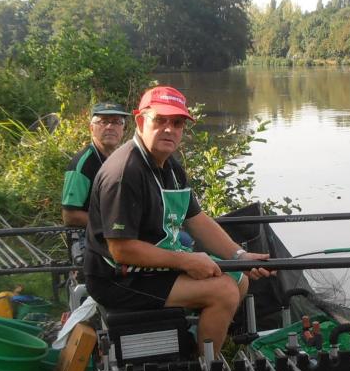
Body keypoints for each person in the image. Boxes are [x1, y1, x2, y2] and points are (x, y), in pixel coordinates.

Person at [84, 86, 270, 353]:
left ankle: (201, 341)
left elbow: (195, 219)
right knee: (224, 292)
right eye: (160, 120)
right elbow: (121, 249)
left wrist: (238, 255)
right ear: (140, 121)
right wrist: (187, 260)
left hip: (153, 265)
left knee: (239, 278)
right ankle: (204, 370)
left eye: (177, 123)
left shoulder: (170, 165)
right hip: (116, 278)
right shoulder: (124, 173)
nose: (169, 129)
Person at [61, 101, 131, 228]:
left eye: (116, 122)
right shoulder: (82, 164)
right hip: (87, 240)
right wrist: (114, 225)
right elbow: (70, 216)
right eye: (103, 122)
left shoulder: (123, 159)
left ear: (123, 129)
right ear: (91, 128)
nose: (110, 127)